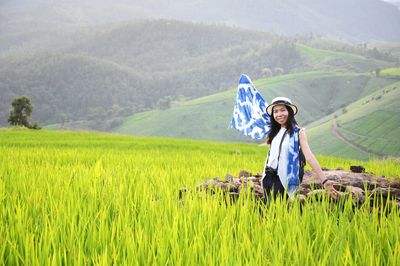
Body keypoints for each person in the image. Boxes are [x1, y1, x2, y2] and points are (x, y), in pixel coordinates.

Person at [262, 97, 338, 201]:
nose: (279, 114)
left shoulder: (298, 132)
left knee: (278, 211)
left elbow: (309, 156)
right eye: (275, 111)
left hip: (284, 179)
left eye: (282, 110)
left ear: (290, 111)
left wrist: (324, 181)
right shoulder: (275, 132)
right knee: (268, 212)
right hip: (268, 178)